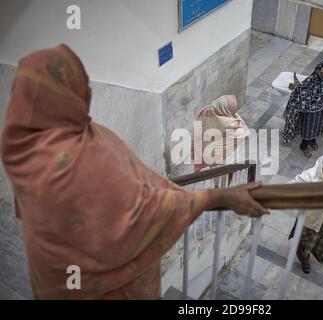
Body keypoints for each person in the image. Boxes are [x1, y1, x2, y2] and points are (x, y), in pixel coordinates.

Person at [0, 44, 269, 299]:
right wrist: (217, 198)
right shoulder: (84, 155)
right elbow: (142, 213)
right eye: (81, 85)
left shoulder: (20, 147)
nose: (88, 92)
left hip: (54, 282)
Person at [282, 59, 323, 158]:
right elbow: (301, 89)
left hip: (322, 109)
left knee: (317, 125)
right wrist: (304, 103)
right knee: (309, 127)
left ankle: (313, 140)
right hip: (311, 110)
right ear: (321, 70)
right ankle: (304, 145)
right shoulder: (313, 79)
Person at [194, 95, 249, 172]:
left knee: (214, 170)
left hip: (206, 151)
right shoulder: (234, 128)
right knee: (222, 176)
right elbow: (246, 132)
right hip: (222, 157)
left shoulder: (207, 112)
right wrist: (236, 116)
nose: (236, 108)